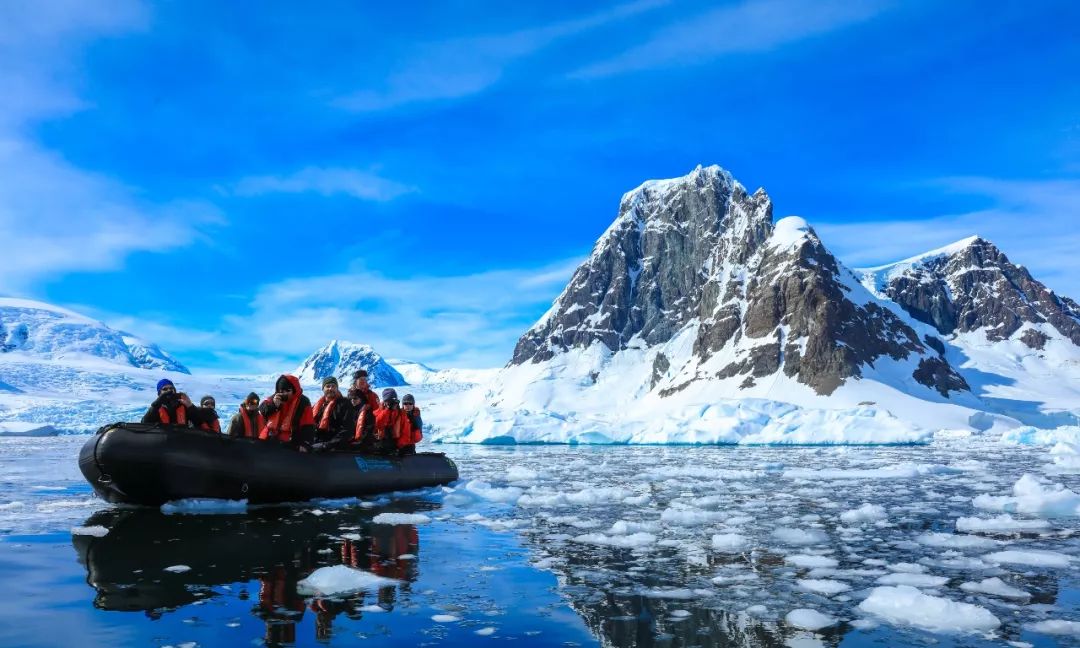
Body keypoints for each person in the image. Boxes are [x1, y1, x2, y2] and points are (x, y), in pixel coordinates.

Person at [258, 374, 315, 450]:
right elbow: (262, 410)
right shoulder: (275, 398)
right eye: (281, 391)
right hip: (269, 438)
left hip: (290, 443)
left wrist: (305, 443)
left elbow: (308, 425)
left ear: (294, 390)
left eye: (288, 390)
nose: (284, 393)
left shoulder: (303, 402)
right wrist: (273, 405)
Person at [310, 377, 351, 445]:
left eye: (333, 386)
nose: (330, 388)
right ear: (323, 389)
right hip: (316, 442)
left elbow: (347, 430)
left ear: (337, 388)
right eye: (328, 386)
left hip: (334, 447)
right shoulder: (318, 405)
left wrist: (327, 445)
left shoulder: (345, 404)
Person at [371, 388, 410, 455]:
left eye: (393, 400)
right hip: (380, 444)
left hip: (396, 445)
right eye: (389, 401)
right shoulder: (378, 412)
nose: (392, 403)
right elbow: (378, 424)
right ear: (385, 401)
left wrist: (399, 446)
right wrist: (387, 410)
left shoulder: (401, 414)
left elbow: (406, 432)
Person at [350, 370, 380, 448]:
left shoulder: (372, 396)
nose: (363, 381)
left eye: (365, 379)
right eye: (361, 379)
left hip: (367, 431)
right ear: (356, 381)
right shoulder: (350, 395)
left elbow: (377, 415)